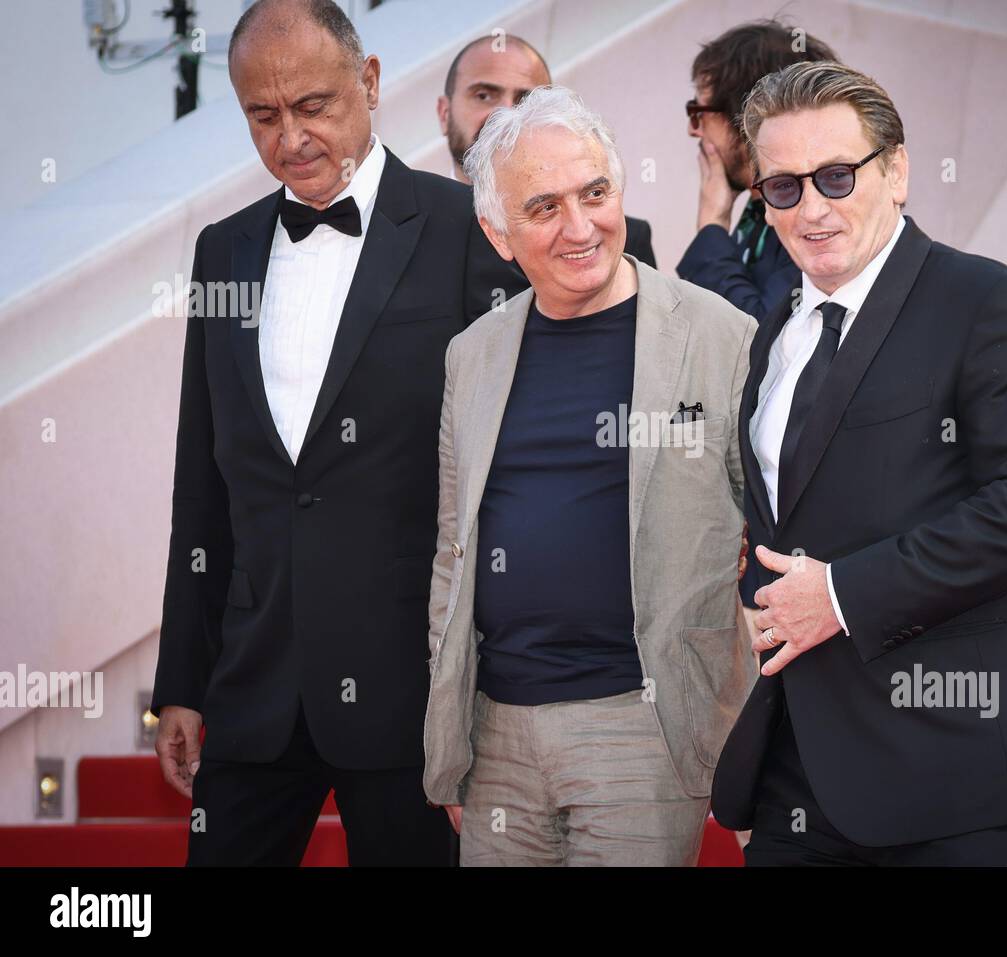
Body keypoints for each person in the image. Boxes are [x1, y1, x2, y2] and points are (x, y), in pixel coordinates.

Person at [149, 0, 526, 866]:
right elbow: (201, 482)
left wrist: (493, 685)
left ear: (369, 83)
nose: (290, 139)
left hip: (412, 694)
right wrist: (182, 678)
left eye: (313, 106)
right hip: (253, 685)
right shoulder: (224, 251)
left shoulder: (466, 232)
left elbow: (501, 478)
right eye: (263, 115)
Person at [710, 61, 1007, 866]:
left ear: (898, 171)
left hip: (961, 774)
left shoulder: (984, 300)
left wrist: (843, 594)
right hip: (801, 774)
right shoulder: (774, 334)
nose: (813, 208)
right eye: (784, 187)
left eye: (838, 177)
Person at [422, 86, 757, 866]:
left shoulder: (722, 335)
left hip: (644, 725)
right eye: (543, 208)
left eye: (595, 193)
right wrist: (452, 734)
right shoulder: (471, 354)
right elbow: (454, 548)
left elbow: (774, 529)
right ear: (497, 234)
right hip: (496, 729)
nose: (581, 228)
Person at [437, 33, 657, 265]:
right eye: (484, 96)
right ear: (444, 113)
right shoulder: (415, 238)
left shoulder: (619, 239)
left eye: (525, 100)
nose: (505, 114)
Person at [676, 19, 836, 320]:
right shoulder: (758, 211)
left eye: (698, 112)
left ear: (743, 119)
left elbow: (754, 334)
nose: (692, 130)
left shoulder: (809, 215)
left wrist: (712, 225)